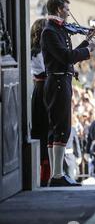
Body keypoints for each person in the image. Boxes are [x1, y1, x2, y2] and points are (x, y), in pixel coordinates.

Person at [41, 0, 95, 187]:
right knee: (60, 128)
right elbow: (66, 56)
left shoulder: (57, 29)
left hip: (60, 80)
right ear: (58, 9)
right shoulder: (50, 31)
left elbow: (69, 57)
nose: (68, 12)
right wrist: (88, 49)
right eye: (66, 9)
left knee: (57, 128)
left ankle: (56, 174)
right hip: (57, 81)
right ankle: (57, 175)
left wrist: (85, 43)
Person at [30, 18, 51, 186]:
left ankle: (45, 174)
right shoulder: (41, 52)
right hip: (45, 89)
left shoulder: (32, 50)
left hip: (38, 89)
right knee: (46, 130)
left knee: (41, 129)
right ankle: (45, 176)